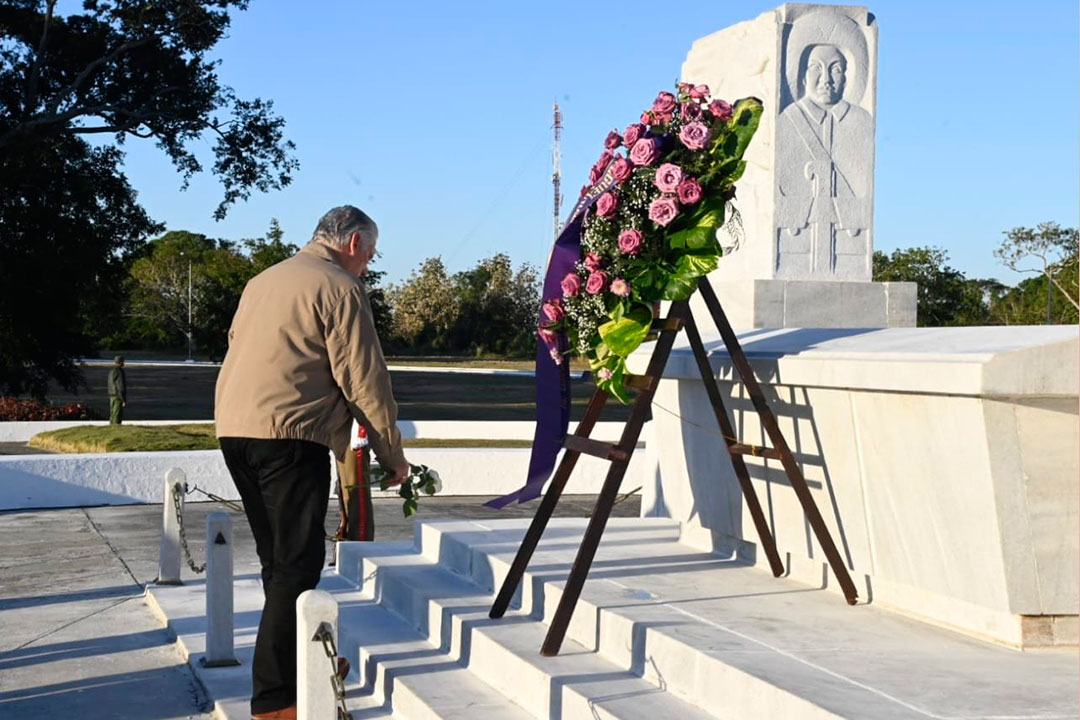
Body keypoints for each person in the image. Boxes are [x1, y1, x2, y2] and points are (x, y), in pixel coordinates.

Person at [215, 205, 408, 720]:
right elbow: (364, 379)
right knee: (298, 564)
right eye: (369, 254)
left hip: (236, 430)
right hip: (289, 436)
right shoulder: (339, 286)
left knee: (278, 563)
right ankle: (277, 700)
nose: (367, 264)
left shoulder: (264, 279)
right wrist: (393, 454)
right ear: (352, 244)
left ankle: (296, 667)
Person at [107, 355, 126, 425]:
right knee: (117, 416)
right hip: (118, 396)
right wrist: (123, 399)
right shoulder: (120, 372)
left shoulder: (111, 371)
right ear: (120, 362)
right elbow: (120, 386)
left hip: (112, 396)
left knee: (112, 414)